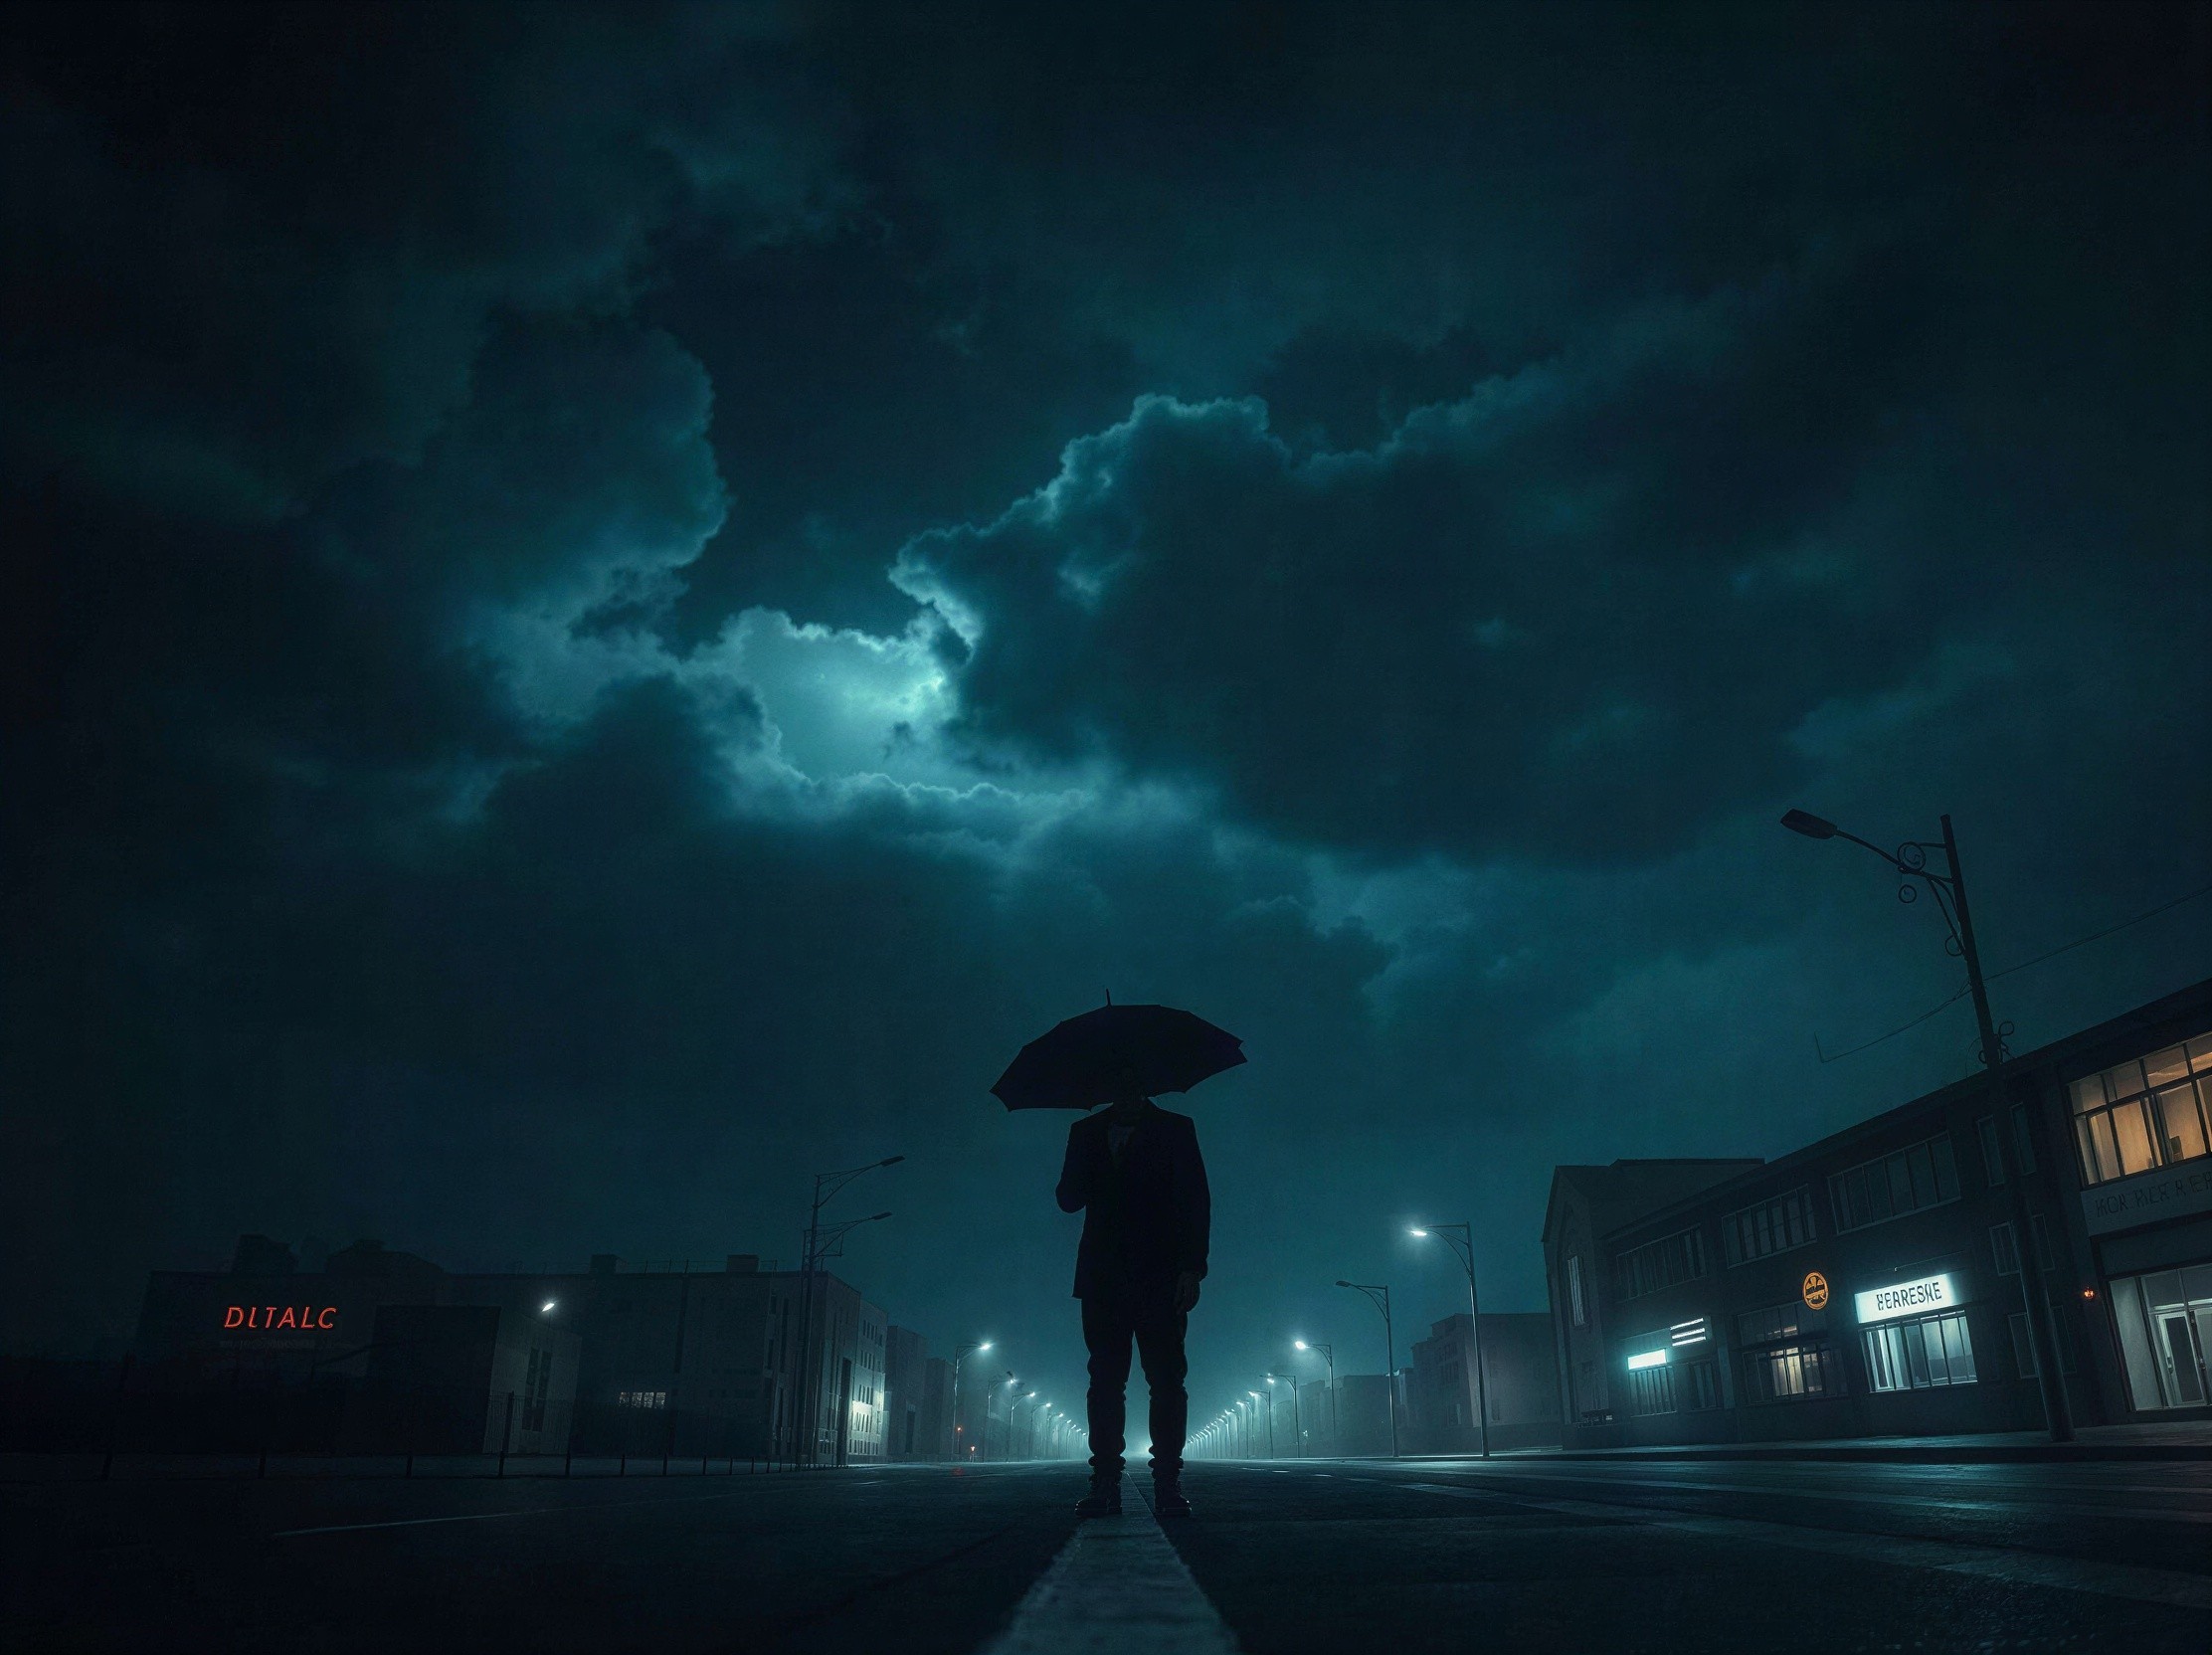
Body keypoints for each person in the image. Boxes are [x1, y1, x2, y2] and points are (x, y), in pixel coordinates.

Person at [1055, 1068, 1209, 1519]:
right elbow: (1067, 1199)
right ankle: (1104, 1481)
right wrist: (1093, 1166)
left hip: (1161, 1275)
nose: (1128, 1093)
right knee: (1104, 1380)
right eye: (1119, 1085)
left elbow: (1196, 1200)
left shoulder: (1176, 1129)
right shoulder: (1084, 1132)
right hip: (1103, 1276)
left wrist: (1192, 1268)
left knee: (1166, 1380)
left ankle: (1167, 1481)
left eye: (1136, 1084)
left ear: (1148, 1085)